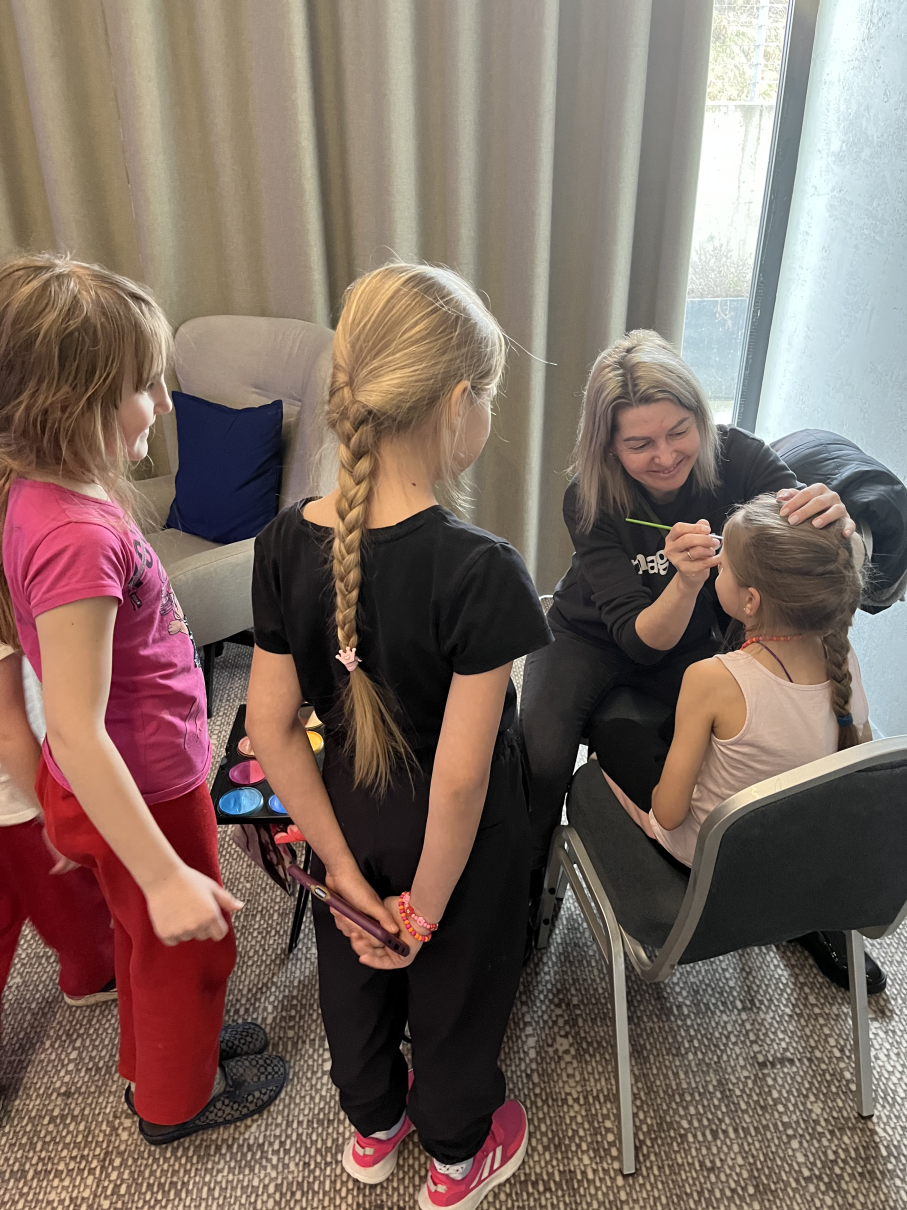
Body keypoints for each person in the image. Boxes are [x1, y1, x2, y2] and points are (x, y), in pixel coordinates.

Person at [246, 263, 551, 1209]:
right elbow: (459, 780)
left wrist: (340, 869)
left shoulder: (283, 540)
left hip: (344, 816)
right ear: (459, 403)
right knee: (456, 995)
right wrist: (421, 913)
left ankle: (373, 1128)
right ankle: (457, 1154)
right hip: (456, 846)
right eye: (488, 394)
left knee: (353, 982)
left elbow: (268, 727)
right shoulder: (483, 571)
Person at [0, 253, 287, 1143]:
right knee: (188, 948)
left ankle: (152, 1059)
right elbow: (76, 727)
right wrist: (166, 877)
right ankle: (175, 1101)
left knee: (140, 936)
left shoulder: (48, 494)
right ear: (69, 403)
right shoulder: (76, 537)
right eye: (143, 387)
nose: (162, 405)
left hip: (124, 777)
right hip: (144, 784)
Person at [519, 329, 884, 992]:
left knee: (769, 746)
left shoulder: (741, 458)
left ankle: (806, 901)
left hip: (698, 634)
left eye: (678, 432)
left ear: (700, 418)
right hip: (593, 634)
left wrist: (843, 526)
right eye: (639, 444)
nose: (664, 457)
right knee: (539, 756)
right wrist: (686, 583)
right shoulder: (588, 496)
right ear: (608, 445)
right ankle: (520, 895)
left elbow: (813, 567)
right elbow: (637, 640)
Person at [603, 494, 885, 992]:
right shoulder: (845, 660)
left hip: (714, 862)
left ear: (750, 601)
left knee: (613, 732)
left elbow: (669, 813)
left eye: (724, 566)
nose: (717, 568)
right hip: (797, 852)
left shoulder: (712, 678)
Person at [0, 643, 116, 1025]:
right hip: (17, 802)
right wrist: (49, 812)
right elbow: (8, 732)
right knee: (74, 903)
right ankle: (92, 976)